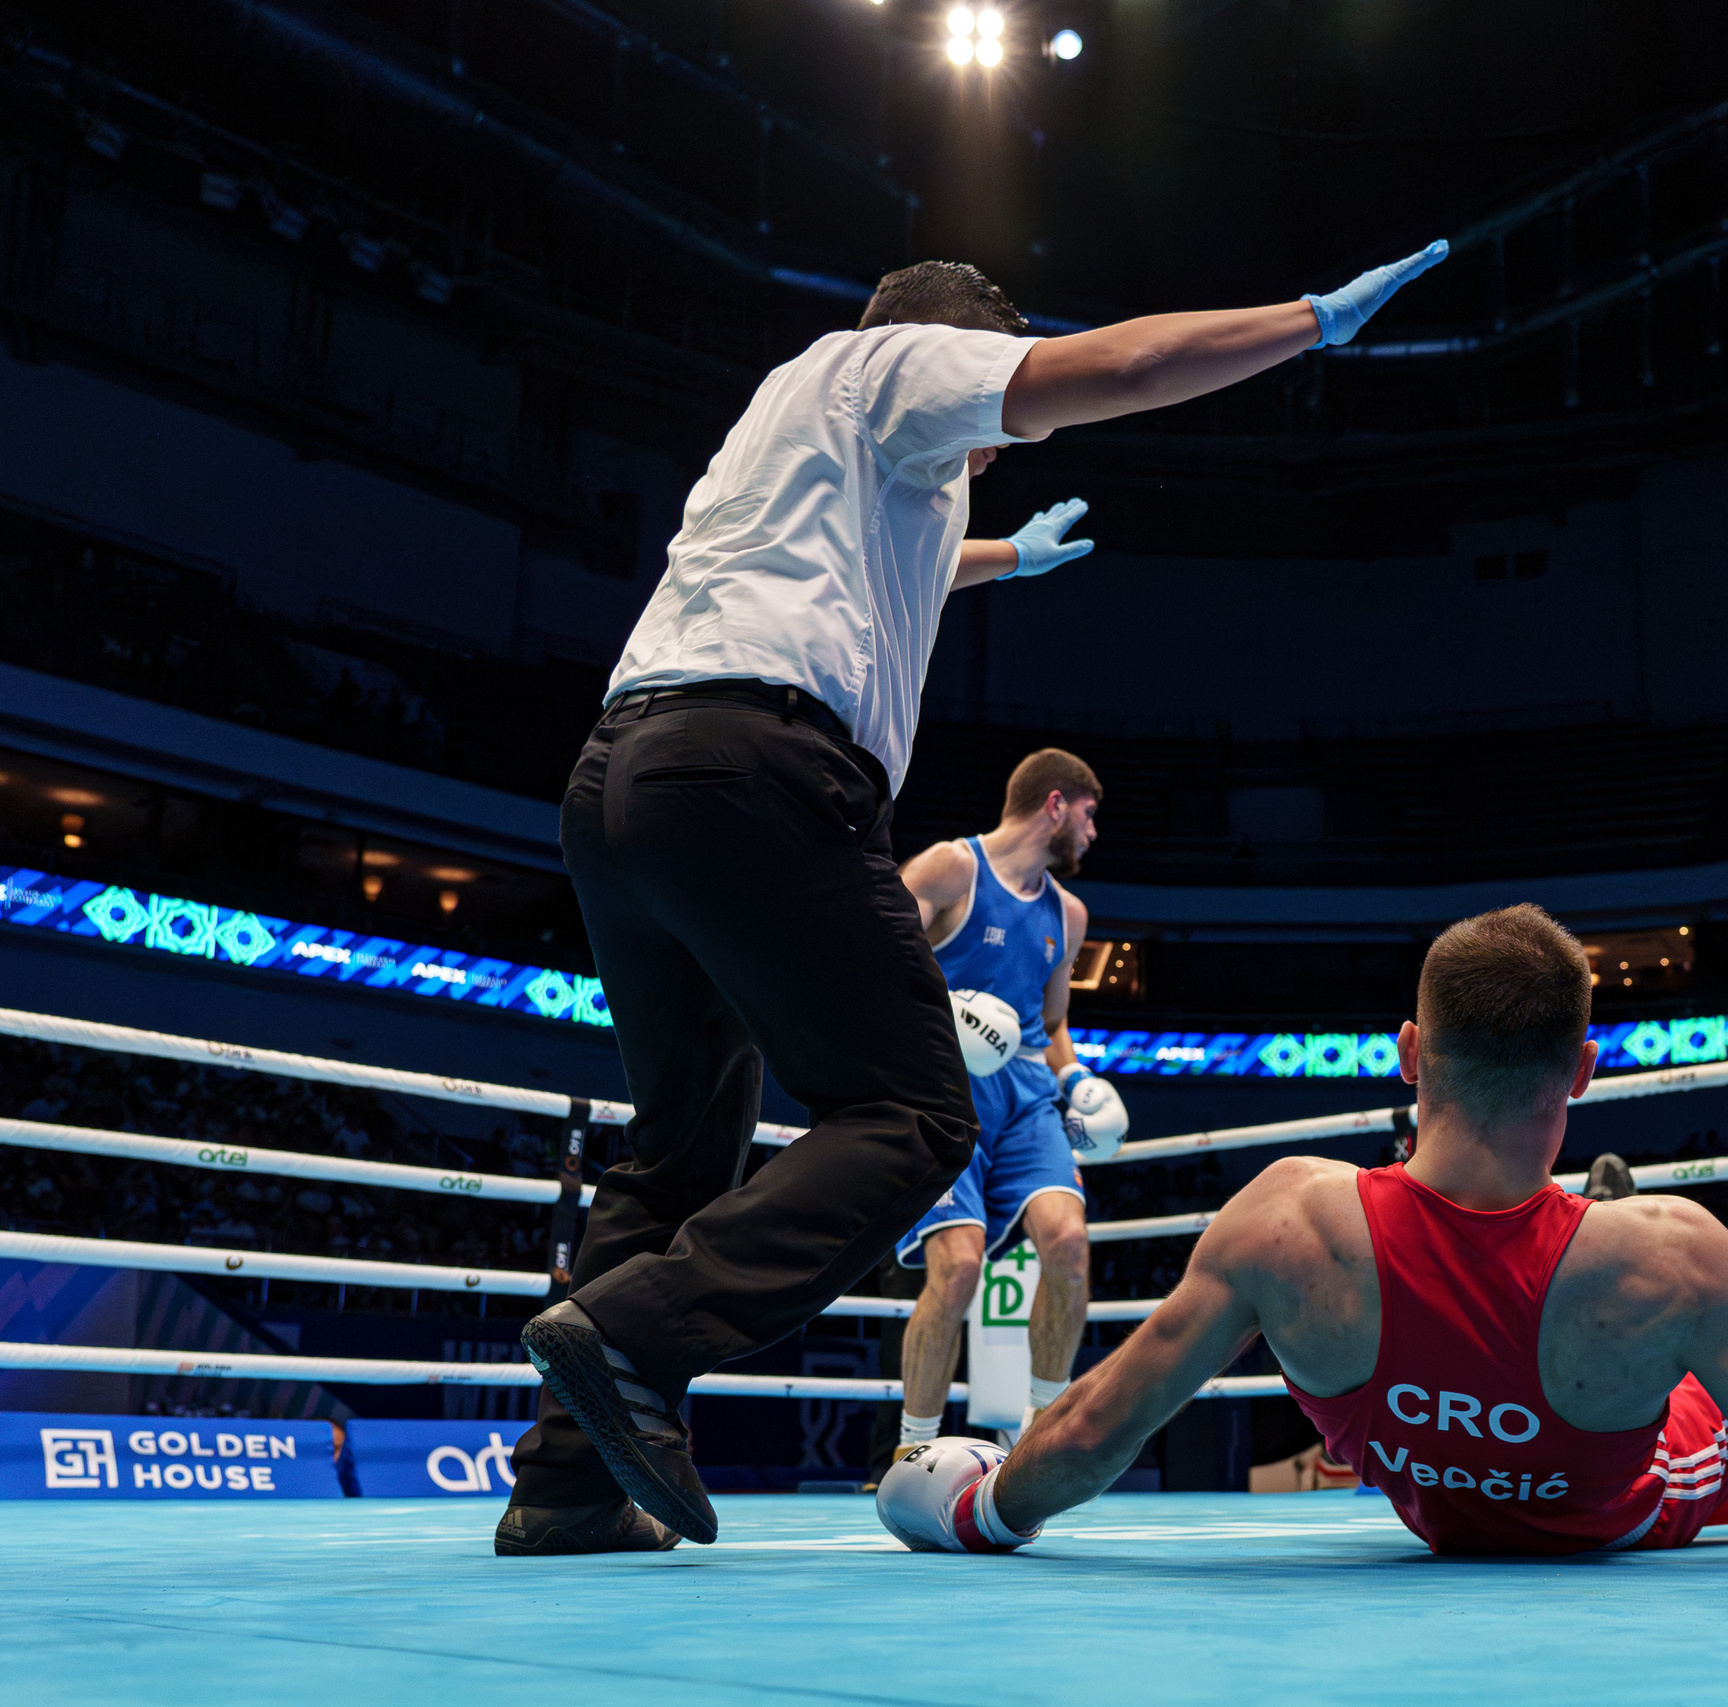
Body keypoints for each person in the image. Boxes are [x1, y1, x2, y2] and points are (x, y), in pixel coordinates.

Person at [498, 242, 1454, 1557]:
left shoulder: (795, 411)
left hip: (622, 776)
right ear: (953, 343)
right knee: (912, 1115)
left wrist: (1006, 556)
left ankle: (563, 1489)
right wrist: (1306, 324)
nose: (994, 447)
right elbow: (1127, 364)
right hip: (760, 771)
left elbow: (885, 569)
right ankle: (635, 1335)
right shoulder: (897, 361)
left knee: (681, 1141)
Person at [880, 905, 1728, 1560]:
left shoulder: (1285, 1221)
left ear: (1408, 1054)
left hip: (1434, 1502)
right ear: (1583, 1071)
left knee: (1675, 1272)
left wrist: (977, 1507)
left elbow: (1091, 1432)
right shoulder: (1678, 1256)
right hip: (1626, 1498)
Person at [892, 748, 1124, 1452]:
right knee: (958, 1267)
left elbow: (1051, 1025)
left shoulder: (1069, 915)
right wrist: (947, 1010)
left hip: (1027, 1094)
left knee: (1070, 1243)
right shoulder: (951, 868)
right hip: (943, 1085)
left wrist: (1077, 1080)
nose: (1093, 831)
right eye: (1088, 814)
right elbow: (873, 958)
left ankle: (1042, 1441)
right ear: (1055, 805)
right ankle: (913, 1448)